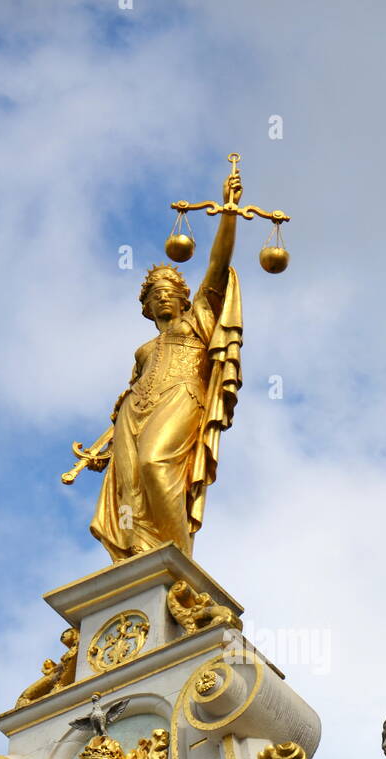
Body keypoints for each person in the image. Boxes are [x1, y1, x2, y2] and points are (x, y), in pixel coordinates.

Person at [85, 170, 244, 561]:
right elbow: (130, 389)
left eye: (169, 292)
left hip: (182, 395)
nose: (162, 299)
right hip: (134, 410)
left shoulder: (200, 318)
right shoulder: (143, 350)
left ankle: (179, 559)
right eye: (154, 295)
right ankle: (136, 552)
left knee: (155, 464)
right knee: (129, 486)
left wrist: (228, 213)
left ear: (184, 296)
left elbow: (218, 265)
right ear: (146, 306)